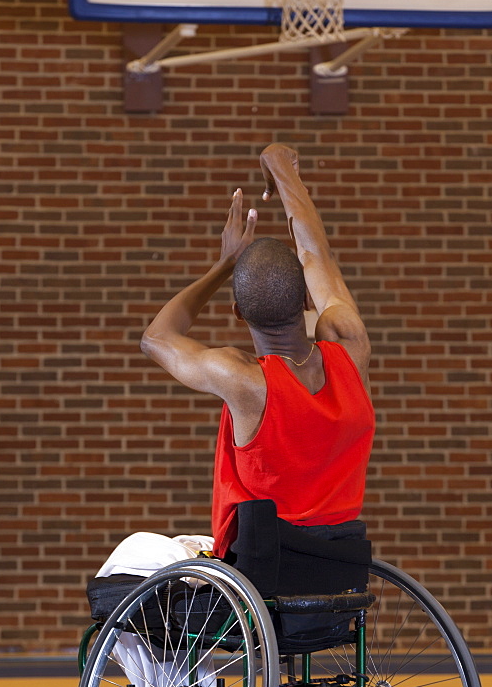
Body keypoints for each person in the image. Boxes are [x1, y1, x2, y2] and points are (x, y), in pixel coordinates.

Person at [140, 142, 375, 559]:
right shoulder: (349, 344)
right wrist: (283, 169)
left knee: (130, 560)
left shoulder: (245, 379)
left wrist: (223, 265)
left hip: (259, 566)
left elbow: (156, 338)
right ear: (306, 301)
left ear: (237, 313)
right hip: (341, 559)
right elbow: (316, 253)